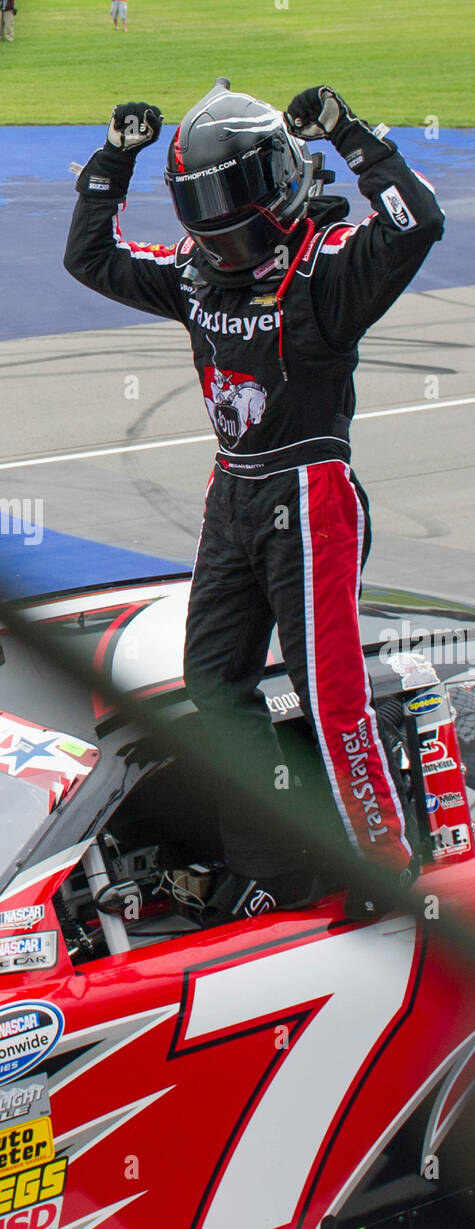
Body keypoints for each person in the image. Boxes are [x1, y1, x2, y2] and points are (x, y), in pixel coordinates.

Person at [64, 82, 444, 923]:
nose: (208, 218)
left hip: (309, 497)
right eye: (194, 199)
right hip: (232, 490)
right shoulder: (195, 276)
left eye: (217, 196)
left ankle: (385, 864)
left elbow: (418, 221)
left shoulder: (331, 271)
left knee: (331, 691)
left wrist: (356, 136)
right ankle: (275, 861)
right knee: (212, 678)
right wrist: (112, 161)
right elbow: (89, 259)